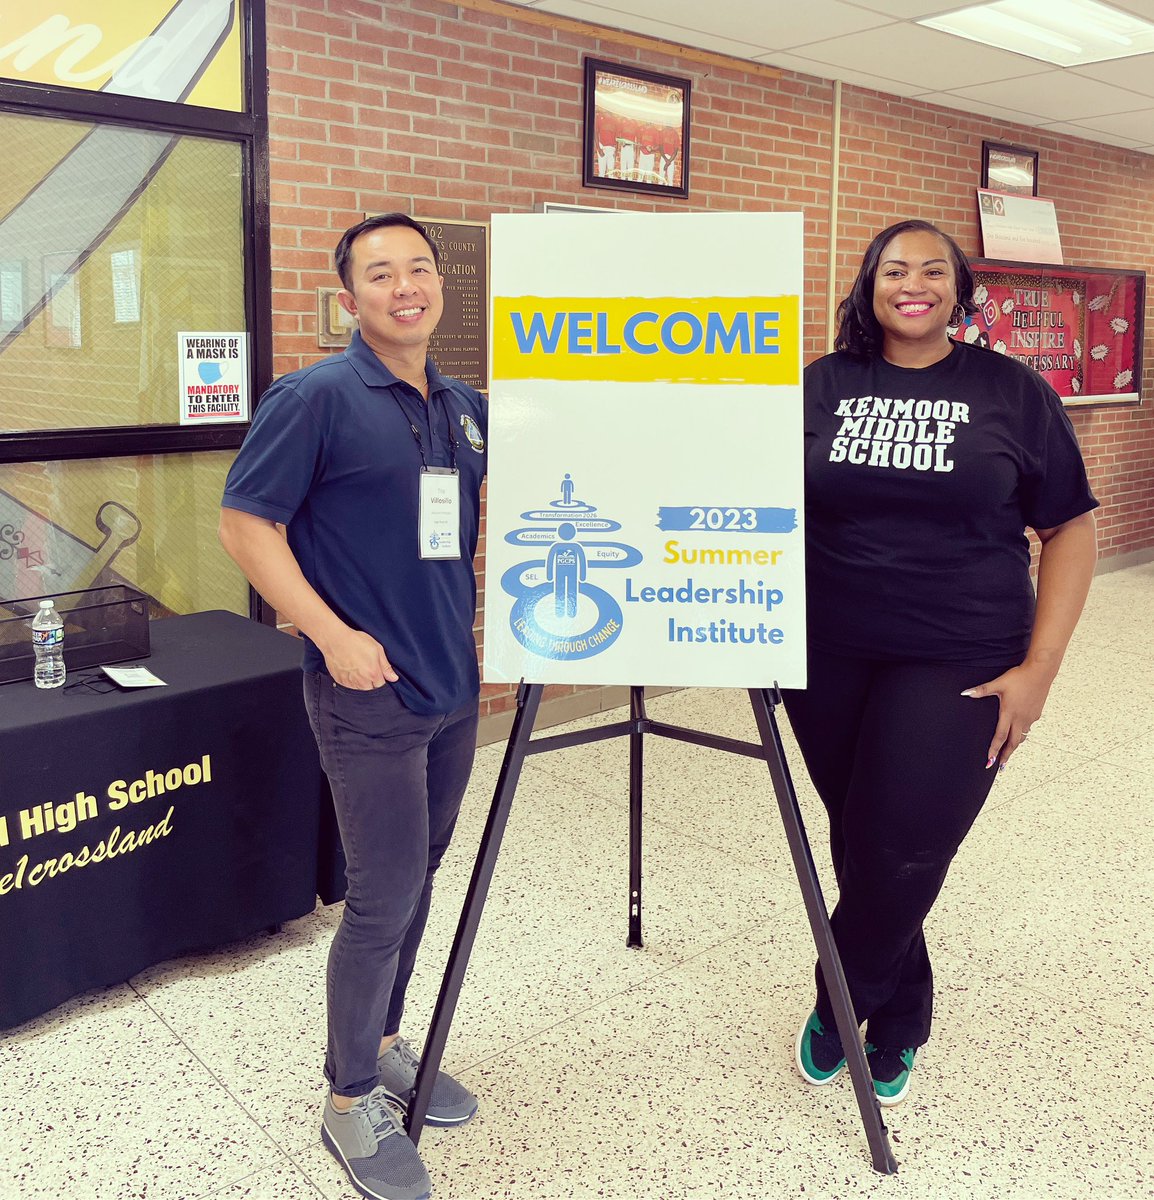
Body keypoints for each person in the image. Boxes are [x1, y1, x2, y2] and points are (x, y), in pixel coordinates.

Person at [783, 219, 1098, 1108]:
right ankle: (901, 1013)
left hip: (963, 650)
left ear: (960, 289)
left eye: (932, 270)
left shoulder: (1011, 392)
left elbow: (1070, 526)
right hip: (826, 650)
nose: (911, 284)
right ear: (868, 287)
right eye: (893, 269)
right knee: (862, 840)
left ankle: (841, 1001)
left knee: (908, 844)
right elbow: (757, 505)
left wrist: (1040, 672)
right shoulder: (825, 385)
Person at [219, 212, 487, 1200]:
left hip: (453, 691)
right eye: (381, 274)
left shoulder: (461, 406)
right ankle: (345, 1101)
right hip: (365, 696)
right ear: (350, 298)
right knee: (380, 900)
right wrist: (329, 633)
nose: (404, 285)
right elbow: (247, 524)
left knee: (418, 880)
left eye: (418, 268)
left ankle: (380, 1046)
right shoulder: (316, 397)